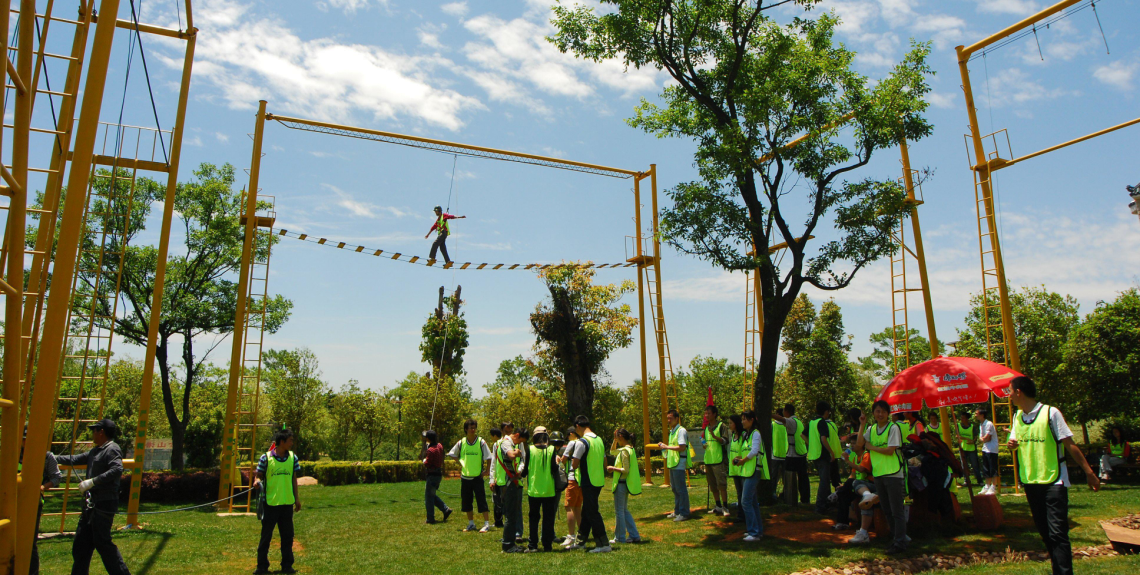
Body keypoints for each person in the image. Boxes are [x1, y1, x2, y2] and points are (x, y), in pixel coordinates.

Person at [1007, 376, 1099, 575]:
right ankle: (1058, 569)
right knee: (1045, 533)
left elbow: (1070, 444)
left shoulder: (1050, 412)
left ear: (1019, 392)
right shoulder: (1017, 417)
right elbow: (1013, 440)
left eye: (1010, 391)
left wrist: (1089, 473)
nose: (1009, 395)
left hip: (1054, 481)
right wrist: (1011, 444)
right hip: (1031, 481)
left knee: (1058, 533)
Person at [55, 418, 131, 575]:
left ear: (101, 432)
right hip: (90, 505)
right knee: (81, 545)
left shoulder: (112, 449)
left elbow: (117, 469)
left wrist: (92, 482)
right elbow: (74, 459)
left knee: (103, 543)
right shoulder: (95, 451)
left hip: (104, 504)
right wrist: (51, 457)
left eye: (94, 430)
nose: (92, 434)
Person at [856, 400, 908, 555]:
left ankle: (900, 542)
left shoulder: (893, 428)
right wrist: (862, 425)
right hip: (878, 474)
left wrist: (871, 447)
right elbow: (859, 444)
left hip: (893, 474)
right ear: (873, 413)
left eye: (883, 412)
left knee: (896, 510)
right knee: (887, 509)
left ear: (888, 413)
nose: (880, 414)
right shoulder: (871, 429)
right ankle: (896, 538)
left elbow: (890, 450)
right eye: (877, 411)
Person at [254, 428, 302, 575]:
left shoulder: (293, 458)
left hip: (287, 503)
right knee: (266, 537)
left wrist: (297, 498)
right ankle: (262, 567)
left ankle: (287, 565)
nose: (292, 443)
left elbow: (293, 478)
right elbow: (259, 475)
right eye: (290, 440)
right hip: (270, 504)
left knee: (287, 537)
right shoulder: (266, 458)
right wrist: (256, 481)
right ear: (282, 442)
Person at [568, 415, 611, 552]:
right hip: (598, 480)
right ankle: (581, 541)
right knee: (586, 510)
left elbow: (574, 465)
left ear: (578, 426)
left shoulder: (582, 442)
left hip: (587, 481)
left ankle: (603, 544)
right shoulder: (599, 440)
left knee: (592, 512)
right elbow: (605, 463)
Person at [447, 419, 494, 533]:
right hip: (465, 477)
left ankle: (486, 524)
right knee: (467, 501)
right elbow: (452, 453)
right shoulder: (461, 442)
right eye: (470, 428)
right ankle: (471, 523)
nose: (473, 430)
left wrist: (487, 471)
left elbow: (489, 457)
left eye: (474, 428)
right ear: (466, 429)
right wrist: (460, 462)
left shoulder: (481, 442)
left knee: (481, 500)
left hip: (477, 477)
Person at [733, 410, 769, 542]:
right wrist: (739, 458)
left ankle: (754, 532)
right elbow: (746, 451)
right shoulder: (746, 435)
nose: (742, 422)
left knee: (745, 501)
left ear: (752, 420)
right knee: (752, 502)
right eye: (742, 419)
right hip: (746, 471)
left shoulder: (756, 434)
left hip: (753, 471)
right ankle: (756, 531)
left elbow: (754, 451)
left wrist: (743, 460)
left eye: (745, 419)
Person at [525, 427, 559, 553]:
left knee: (533, 518)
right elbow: (554, 469)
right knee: (548, 519)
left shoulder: (530, 449)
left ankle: (533, 545)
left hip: (534, 490)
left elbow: (525, 469)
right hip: (549, 490)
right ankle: (547, 545)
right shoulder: (551, 450)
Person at [30, 445, 62, 575]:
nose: (26, 443)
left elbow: (56, 477)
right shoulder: (13, 453)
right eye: (23, 439)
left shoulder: (46, 456)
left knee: (30, 542)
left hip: (34, 503)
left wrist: (43, 487)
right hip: (11, 500)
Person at [607, 428, 642, 544]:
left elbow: (625, 470)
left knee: (619, 512)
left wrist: (613, 468)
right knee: (624, 511)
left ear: (621, 436)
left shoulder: (624, 451)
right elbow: (612, 452)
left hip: (621, 484)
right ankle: (634, 535)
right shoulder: (628, 449)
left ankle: (620, 537)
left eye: (617, 436)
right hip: (625, 484)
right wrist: (614, 440)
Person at [496, 424, 526, 553]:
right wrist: (517, 453)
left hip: (512, 482)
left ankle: (510, 542)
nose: (520, 444)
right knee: (510, 515)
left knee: (512, 514)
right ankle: (508, 545)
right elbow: (511, 455)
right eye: (520, 441)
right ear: (517, 435)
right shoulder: (506, 443)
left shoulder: (510, 443)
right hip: (508, 483)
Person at [773, 403, 810, 505]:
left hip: (793, 455)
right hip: (801, 453)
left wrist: (769, 413)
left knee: (789, 478)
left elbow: (781, 419)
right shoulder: (799, 422)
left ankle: (789, 497)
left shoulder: (791, 421)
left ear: (787, 411)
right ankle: (805, 499)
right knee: (803, 478)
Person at [808, 401, 840, 515]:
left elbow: (802, 434)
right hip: (822, 455)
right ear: (826, 412)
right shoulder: (822, 422)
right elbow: (823, 439)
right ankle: (820, 506)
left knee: (824, 480)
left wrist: (811, 444)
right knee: (824, 481)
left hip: (814, 454)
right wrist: (831, 451)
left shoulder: (812, 422)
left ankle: (827, 503)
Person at [658, 409, 691, 521]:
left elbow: (682, 447)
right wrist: (664, 446)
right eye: (667, 418)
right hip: (672, 462)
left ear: (677, 419)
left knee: (681, 489)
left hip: (679, 463)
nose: (668, 420)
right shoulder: (672, 431)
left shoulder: (681, 431)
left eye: (670, 418)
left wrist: (667, 447)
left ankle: (684, 512)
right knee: (675, 489)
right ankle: (677, 511)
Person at [702, 405, 730, 516]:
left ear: (714, 414)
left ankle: (725, 506)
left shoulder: (721, 426)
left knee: (721, 484)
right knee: (713, 485)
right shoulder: (706, 427)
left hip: (719, 460)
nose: (707, 415)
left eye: (709, 413)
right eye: (705, 413)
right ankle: (717, 505)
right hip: (709, 459)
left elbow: (725, 441)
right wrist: (704, 444)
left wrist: (715, 436)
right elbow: (705, 440)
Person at [558, 427, 583, 548]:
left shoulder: (572, 443)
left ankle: (571, 535)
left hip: (572, 478)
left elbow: (564, 459)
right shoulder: (583, 442)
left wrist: (558, 460)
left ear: (572, 434)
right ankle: (581, 534)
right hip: (581, 479)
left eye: (568, 436)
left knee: (569, 507)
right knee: (578, 507)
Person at [422, 429, 452, 525]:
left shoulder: (430, 450)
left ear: (428, 438)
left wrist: (424, 460)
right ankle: (445, 509)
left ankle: (430, 518)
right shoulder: (439, 446)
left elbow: (427, 464)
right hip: (438, 475)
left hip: (432, 475)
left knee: (428, 498)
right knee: (432, 495)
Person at [954, 410, 982, 485]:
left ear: (967, 419)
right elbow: (957, 436)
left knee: (975, 465)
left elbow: (975, 436)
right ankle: (966, 480)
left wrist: (972, 441)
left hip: (971, 448)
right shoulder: (958, 426)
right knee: (964, 465)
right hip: (963, 448)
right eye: (961, 418)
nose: (962, 420)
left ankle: (980, 480)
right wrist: (966, 439)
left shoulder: (972, 426)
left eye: (963, 418)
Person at [977, 408, 1000, 495]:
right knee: (986, 468)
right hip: (985, 449)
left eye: (977, 413)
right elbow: (981, 438)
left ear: (982, 415)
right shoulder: (981, 424)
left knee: (992, 468)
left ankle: (993, 487)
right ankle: (987, 486)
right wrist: (983, 439)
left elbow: (987, 438)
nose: (975, 415)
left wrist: (983, 439)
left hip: (992, 449)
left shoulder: (989, 423)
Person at [488, 427, 505, 528]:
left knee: (497, 500)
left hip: (499, 478)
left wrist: (492, 478)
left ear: (494, 436)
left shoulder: (497, 444)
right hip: (505, 477)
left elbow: (493, 463)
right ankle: (500, 520)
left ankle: (498, 521)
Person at [770, 417, 788, 503]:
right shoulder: (785, 425)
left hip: (776, 454)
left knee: (775, 476)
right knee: (784, 476)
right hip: (784, 454)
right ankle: (785, 493)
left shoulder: (773, 425)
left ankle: (775, 493)